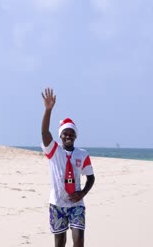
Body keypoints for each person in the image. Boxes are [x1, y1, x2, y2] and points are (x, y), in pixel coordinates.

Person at [41, 87, 95, 247]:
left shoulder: (82, 154)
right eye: (65, 133)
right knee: (60, 242)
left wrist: (83, 192)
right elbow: (44, 133)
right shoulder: (54, 151)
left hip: (76, 205)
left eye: (71, 133)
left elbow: (91, 177)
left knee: (78, 241)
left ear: (76, 136)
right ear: (60, 136)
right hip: (57, 204)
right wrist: (48, 110)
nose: (68, 136)